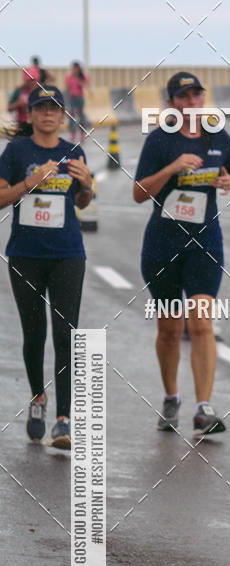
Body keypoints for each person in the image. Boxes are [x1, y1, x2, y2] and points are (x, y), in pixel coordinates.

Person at [133, 71, 230, 437]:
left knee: (200, 323)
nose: (192, 102)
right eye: (184, 97)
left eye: (197, 95)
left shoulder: (217, 135)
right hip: (162, 246)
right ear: (171, 104)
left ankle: (203, 408)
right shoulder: (159, 141)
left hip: (205, 244)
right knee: (170, 329)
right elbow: (138, 193)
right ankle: (171, 397)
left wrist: (229, 180)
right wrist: (172, 168)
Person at [0, 86, 94, 449]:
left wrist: (86, 185)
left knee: (65, 333)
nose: (48, 114)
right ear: (31, 114)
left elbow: (83, 202)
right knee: (34, 332)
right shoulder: (17, 151)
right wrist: (29, 182)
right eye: (41, 108)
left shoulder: (74, 152)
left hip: (68, 252)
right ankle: (38, 399)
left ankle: (63, 419)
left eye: (55, 108)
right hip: (25, 254)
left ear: (63, 115)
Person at [65, 62, 90, 142]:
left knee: (81, 116)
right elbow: (68, 87)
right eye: (74, 68)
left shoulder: (82, 76)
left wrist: (79, 81)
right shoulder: (69, 77)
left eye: (76, 68)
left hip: (80, 97)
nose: (75, 70)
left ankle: (82, 134)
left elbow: (86, 83)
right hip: (72, 98)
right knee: (71, 116)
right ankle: (73, 134)